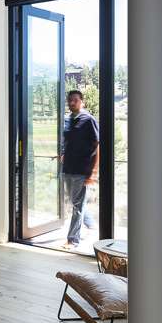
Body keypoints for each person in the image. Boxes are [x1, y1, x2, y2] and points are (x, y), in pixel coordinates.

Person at [59, 89, 99, 248]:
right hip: (67, 168)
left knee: (77, 205)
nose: (71, 102)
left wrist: (94, 172)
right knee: (76, 202)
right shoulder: (68, 119)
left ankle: (72, 240)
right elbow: (67, 141)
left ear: (82, 102)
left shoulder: (88, 119)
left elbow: (98, 145)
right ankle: (91, 224)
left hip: (82, 169)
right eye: (69, 100)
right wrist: (62, 153)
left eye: (75, 100)